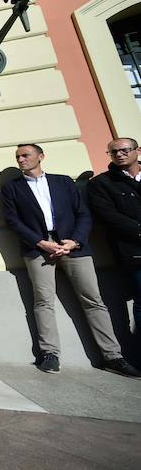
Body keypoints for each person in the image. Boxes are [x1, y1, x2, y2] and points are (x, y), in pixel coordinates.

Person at [0, 143, 139, 377]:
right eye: (18, 157)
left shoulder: (63, 182)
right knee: (43, 301)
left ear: (41, 156)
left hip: (73, 246)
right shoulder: (11, 188)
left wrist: (74, 241)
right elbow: (14, 221)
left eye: (26, 155)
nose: (21, 160)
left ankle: (112, 356)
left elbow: (83, 213)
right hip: (38, 248)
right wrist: (40, 242)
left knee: (93, 300)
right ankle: (49, 354)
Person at [86, 138, 141, 355]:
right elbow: (108, 216)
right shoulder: (101, 184)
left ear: (137, 150)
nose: (119, 154)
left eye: (125, 150)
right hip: (134, 251)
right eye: (113, 152)